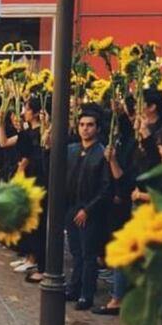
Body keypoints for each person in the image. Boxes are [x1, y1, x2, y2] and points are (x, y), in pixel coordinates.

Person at [64, 108, 111, 311]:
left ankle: (86, 294)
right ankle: (74, 288)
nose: (85, 129)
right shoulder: (71, 149)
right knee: (76, 251)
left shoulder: (102, 153)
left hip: (91, 210)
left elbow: (106, 188)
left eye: (90, 125)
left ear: (97, 128)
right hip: (71, 207)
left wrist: (88, 210)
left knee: (88, 254)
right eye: (82, 125)